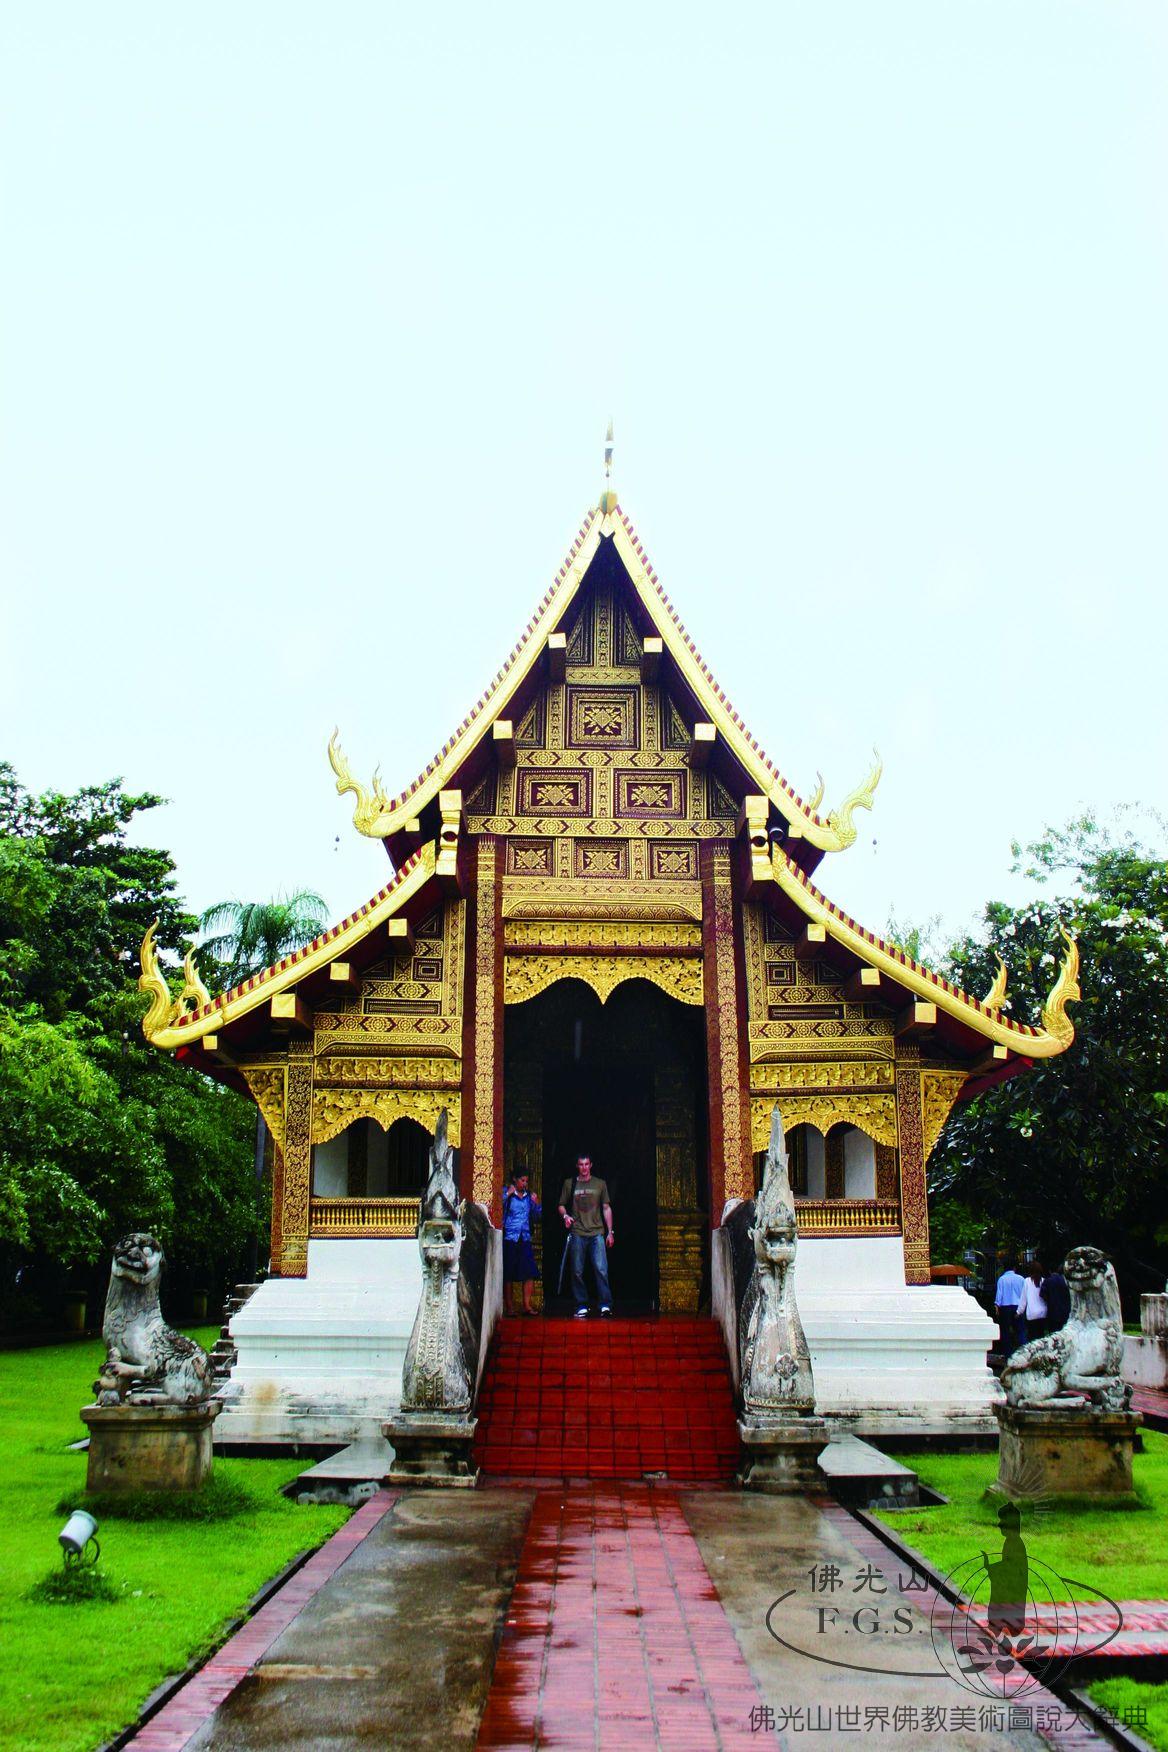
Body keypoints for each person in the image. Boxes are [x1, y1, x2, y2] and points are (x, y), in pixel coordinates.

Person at [558, 1154, 614, 1319]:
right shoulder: (570, 1183)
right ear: (577, 1166)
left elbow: (606, 1208)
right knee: (577, 1271)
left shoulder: (600, 1183)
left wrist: (610, 1231)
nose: (584, 1167)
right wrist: (565, 1216)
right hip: (577, 1232)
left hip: (597, 1232)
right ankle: (581, 1304)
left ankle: (605, 1304)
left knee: (601, 1269)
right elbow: (561, 1205)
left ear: (591, 1165)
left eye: (586, 1164)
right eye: (581, 1164)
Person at [502, 1169, 541, 1315]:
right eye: (522, 1180)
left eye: (526, 1181)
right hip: (510, 1238)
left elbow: (537, 1216)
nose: (524, 1184)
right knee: (509, 1273)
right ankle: (510, 1307)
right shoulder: (507, 1193)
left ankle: (527, 1305)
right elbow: (496, 1205)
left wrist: (536, 1204)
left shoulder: (528, 1196)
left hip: (524, 1237)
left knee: (529, 1272)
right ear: (514, 1179)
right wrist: (508, 1194)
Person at [994, 1260, 1025, 1354]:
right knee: (1020, 1330)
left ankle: (1008, 1353)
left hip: (1005, 1306)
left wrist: (997, 1305)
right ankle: (1023, 1351)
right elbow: (1023, 1295)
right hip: (1018, 1306)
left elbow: (999, 1294)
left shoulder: (1002, 1279)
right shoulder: (1021, 1279)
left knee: (1005, 1331)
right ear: (1014, 1268)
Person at [1019, 1262, 1047, 1342]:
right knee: (1041, 1336)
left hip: (1032, 1313)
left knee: (1032, 1338)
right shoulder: (1043, 1281)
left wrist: (1019, 1312)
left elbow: (1023, 1299)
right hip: (1042, 1312)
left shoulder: (1027, 1281)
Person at [1042, 1264, 1071, 1333]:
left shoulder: (1047, 1281)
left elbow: (1043, 1295)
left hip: (1053, 1312)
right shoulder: (1065, 1280)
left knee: (1053, 1334)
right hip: (1065, 1311)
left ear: (1050, 1271)